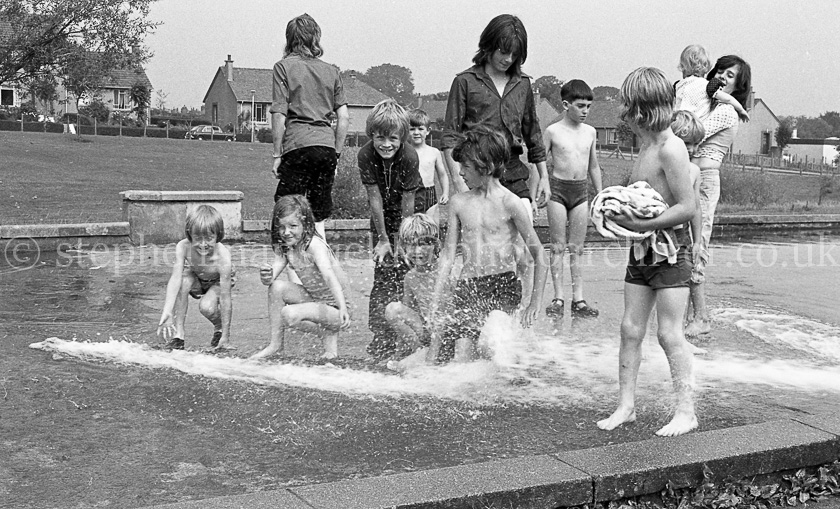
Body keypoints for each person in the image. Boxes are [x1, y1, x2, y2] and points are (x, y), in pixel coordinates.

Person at [596, 67, 698, 437]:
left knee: (669, 334)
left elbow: (687, 206)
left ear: (644, 108)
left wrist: (644, 226)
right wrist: (621, 210)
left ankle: (686, 411)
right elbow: (646, 198)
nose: (624, 113)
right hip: (642, 252)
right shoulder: (646, 145)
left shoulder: (672, 148)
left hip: (670, 253)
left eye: (628, 106)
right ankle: (626, 406)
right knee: (629, 328)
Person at [442, 14, 550, 289]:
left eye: (515, 54)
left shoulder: (523, 84)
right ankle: (476, 298)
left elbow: (532, 132)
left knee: (522, 252)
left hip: (512, 170)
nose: (507, 59)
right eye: (503, 51)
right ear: (488, 45)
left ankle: (520, 310)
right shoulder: (464, 81)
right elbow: (450, 136)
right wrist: (457, 181)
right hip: (477, 169)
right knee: (483, 247)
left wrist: (544, 177)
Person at [427, 125, 548, 363]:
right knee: (463, 359)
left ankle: (514, 366)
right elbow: (448, 256)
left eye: (466, 167)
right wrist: (436, 298)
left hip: (502, 286)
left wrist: (534, 302)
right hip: (468, 287)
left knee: (490, 341)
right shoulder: (458, 203)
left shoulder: (510, 203)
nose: (460, 173)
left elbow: (539, 254)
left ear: (487, 166)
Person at [684, 55, 752, 338]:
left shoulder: (726, 111)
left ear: (739, 85)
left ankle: (701, 317)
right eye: (721, 71)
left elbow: (692, 133)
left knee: (697, 243)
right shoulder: (713, 104)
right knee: (685, 243)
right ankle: (688, 314)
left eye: (731, 75)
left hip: (705, 181)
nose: (723, 76)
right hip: (691, 176)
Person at [270, 13, 350, 240]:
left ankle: (289, 273)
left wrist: (277, 154)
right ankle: (324, 266)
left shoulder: (283, 67)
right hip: (325, 148)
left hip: (297, 147)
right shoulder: (332, 71)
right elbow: (343, 117)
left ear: (289, 39)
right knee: (318, 215)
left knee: (286, 211)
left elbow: (279, 114)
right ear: (316, 38)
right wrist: (336, 154)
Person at [358, 99, 422, 360]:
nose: (386, 144)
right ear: (371, 135)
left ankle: (413, 331)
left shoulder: (409, 156)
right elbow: (375, 199)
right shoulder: (365, 155)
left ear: (402, 137)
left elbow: (408, 204)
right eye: (380, 137)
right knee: (384, 272)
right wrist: (384, 240)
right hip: (381, 216)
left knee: (409, 270)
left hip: (406, 215)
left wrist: (403, 243)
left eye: (393, 138)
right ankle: (381, 334)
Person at [251, 195, 350, 360]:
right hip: (316, 300)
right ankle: (276, 345)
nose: (286, 232)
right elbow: (270, 279)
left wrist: (343, 309)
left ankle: (328, 332)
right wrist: (266, 276)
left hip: (337, 309)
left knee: (289, 314)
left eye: (293, 226)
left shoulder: (314, 246)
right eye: (281, 227)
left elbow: (329, 277)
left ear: (306, 225)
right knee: (276, 287)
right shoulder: (287, 247)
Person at [542, 80, 603, 318]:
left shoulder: (590, 132)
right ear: (566, 105)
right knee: (557, 246)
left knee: (577, 248)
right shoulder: (553, 131)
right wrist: (539, 188)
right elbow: (539, 163)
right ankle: (558, 297)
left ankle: (578, 299)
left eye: (588, 105)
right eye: (580, 106)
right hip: (557, 190)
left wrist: (600, 194)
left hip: (580, 192)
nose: (585, 111)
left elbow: (594, 166)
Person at [157, 205, 235, 351]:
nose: (203, 244)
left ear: (218, 235)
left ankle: (219, 328)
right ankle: (179, 335)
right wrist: (167, 310)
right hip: (197, 277)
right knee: (183, 279)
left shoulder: (223, 257)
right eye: (198, 238)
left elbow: (226, 299)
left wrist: (226, 336)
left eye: (209, 238)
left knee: (207, 307)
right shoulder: (183, 247)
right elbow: (175, 278)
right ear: (189, 234)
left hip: (217, 282)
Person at [384, 214, 446, 365]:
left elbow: (444, 321)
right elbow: (408, 312)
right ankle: (417, 351)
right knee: (392, 309)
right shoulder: (410, 277)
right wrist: (398, 354)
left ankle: (428, 359)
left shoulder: (445, 272)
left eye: (424, 244)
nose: (418, 251)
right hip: (427, 331)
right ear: (404, 247)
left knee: (407, 368)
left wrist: (430, 360)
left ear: (435, 245)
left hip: (446, 334)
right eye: (412, 245)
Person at [674, 45, 749, 122]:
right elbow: (728, 99)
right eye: (719, 72)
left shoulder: (678, 85)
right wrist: (741, 110)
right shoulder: (707, 86)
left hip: (678, 123)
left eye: (730, 76)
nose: (722, 76)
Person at [670, 110, 705, 272]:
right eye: (687, 144)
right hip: (657, 233)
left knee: (685, 272)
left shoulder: (694, 171)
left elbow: (696, 208)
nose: (692, 150)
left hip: (682, 235)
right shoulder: (662, 166)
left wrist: (697, 241)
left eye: (696, 144)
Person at [408, 109, 450, 212]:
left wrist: (445, 192)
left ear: (428, 130)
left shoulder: (434, 152)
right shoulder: (404, 152)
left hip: (429, 193)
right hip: (409, 193)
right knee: (409, 225)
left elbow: (442, 174)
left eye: (420, 129)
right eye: (412, 129)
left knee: (432, 225)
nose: (416, 132)